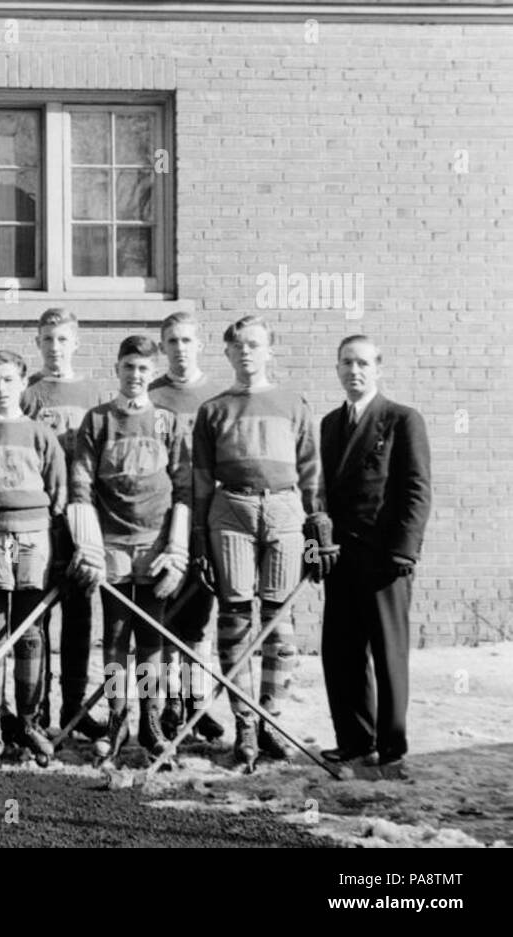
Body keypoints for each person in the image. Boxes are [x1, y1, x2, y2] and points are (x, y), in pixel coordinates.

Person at [190, 315, 332, 770]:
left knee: (277, 618)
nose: (246, 352)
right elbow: (199, 480)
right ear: (228, 353)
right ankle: (243, 723)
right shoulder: (214, 410)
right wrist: (197, 539)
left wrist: (318, 525)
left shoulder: (293, 404)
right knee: (234, 617)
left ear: (270, 349)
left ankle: (271, 718)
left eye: (255, 344)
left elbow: (311, 471)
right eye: (238, 346)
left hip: (285, 511)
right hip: (230, 510)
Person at [68, 335, 191, 763]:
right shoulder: (98, 420)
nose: (135, 376)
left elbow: (184, 488)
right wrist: (89, 547)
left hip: (156, 545)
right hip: (113, 545)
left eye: (143, 369)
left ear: (151, 372)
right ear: (116, 368)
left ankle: (150, 722)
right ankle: (118, 718)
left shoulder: (168, 422)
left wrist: (177, 551)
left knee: (152, 635)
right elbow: (80, 485)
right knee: (117, 636)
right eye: (128, 368)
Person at [318, 335, 431, 772]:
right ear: (338, 369)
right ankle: (354, 741)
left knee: (387, 654)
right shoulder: (330, 424)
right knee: (341, 653)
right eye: (346, 363)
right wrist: (316, 551)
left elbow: (416, 491)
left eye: (363, 363)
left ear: (378, 368)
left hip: (385, 559)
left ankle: (392, 749)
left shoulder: (402, 419)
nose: (354, 371)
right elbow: (319, 496)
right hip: (340, 560)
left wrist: (405, 551)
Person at [0, 350, 68, 767]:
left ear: (23, 383)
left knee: (29, 633)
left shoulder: (42, 435)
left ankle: (28, 719)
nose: (1, 389)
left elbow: (59, 498)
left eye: (8, 380)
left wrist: (58, 552)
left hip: (33, 537)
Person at [21, 308, 105, 738]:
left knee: (79, 613)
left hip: (80, 516)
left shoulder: (92, 393)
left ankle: (75, 708)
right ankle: (35, 711)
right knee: (35, 614)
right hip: (39, 516)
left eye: (63, 339)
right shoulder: (28, 394)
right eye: (47, 339)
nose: (55, 347)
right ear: (38, 342)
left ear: (76, 342)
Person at [148, 311, 226, 741]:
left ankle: (198, 703)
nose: (179, 348)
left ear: (200, 345)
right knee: (163, 616)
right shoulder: (153, 395)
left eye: (186, 340)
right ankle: (165, 704)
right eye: (172, 341)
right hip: (164, 521)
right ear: (163, 347)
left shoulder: (219, 395)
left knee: (198, 618)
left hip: (210, 517)